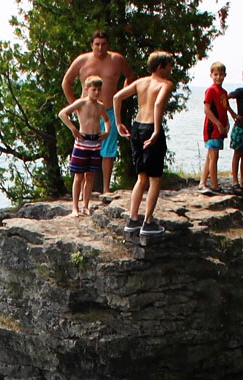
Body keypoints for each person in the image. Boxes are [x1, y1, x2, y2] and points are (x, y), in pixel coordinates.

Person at [62, 31, 136, 194]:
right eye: (97, 44)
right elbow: (66, 82)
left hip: (108, 109)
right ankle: (81, 192)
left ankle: (106, 188)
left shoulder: (117, 59)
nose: (100, 47)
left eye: (103, 44)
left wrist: (120, 96)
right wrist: (75, 105)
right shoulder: (82, 60)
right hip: (87, 112)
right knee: (84, 148)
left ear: (108, 45)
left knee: (108, 151)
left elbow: (130, 76)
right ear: (92, 45)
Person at [114, 51, 174, 237]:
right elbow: (158, 105)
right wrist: (157, 130)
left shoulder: (140, 82)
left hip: (137, 127)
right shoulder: (165, 84)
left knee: (141, 177)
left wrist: (118, 123)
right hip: (149, 128)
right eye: (169, 66)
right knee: (155, 178)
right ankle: (147, 222)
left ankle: (133, 219)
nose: (171, 69)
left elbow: (117, 98)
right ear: (160, 67)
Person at [59, 76, 109, 216]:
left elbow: (106, 120)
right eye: (94, 90)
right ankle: (75, 207)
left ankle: (85, 206)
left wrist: (107, 131)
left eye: (99, 90)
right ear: (87, 89)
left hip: (95, 142)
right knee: (78, 175)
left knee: (90, 175)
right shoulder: (81, 103)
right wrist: (73, 128)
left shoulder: (100, 106)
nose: (97, 92)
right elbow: (63, 114)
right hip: (82, 141)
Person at [199, 61, 232, 194]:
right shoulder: (211, 90)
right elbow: (207, 109)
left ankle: (202, 182)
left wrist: (227, 124)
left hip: (221, 129)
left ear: (225, 75)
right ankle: (214, 184)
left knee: (210, 156)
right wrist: (218, 124)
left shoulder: (224, 92)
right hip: (212, 128)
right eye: (215, 74)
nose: (218, 77)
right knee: (214, 156)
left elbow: (224, 109)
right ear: (211, 75)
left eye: (221, 74)